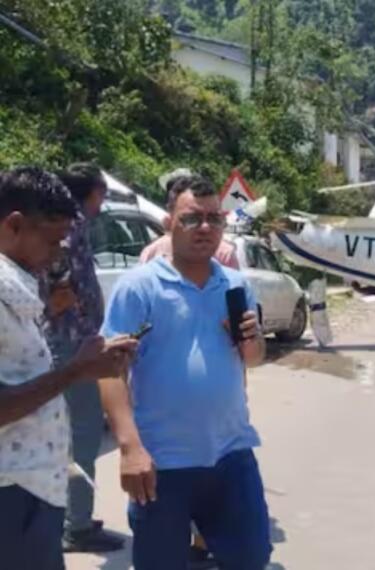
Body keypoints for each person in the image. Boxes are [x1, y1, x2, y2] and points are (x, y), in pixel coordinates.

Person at [99, 174, 272, 569]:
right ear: (168, 223)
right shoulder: (139, 287)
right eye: (193, 218)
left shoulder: (236, 284)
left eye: (215, 218)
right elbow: (110, 371)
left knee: (251, 557)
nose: (206, 228)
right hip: (163, 461)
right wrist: (129, 447)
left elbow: (253, 357)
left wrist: (251, 342)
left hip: (231, 453)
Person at [0, 167, 136, 569]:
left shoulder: (17, 289)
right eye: (53, 241)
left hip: (33, 490)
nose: (60, 255)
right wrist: (75, 371)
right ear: (15, 225)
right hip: (12, 495)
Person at [32, 164, 127, 553]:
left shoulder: (67, 224)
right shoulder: (68, 230)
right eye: (101, 196)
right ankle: (77, 526)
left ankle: (73, 515)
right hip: (71, 344)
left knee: (72, 434)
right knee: (83, 434)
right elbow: (57, 276)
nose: (102, 204)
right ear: (87, 194)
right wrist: (59, 296)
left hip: (72, 342)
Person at [139, 172, 239, 270]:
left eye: (214, 219)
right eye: (192, 219)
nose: (204, 227)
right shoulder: (152, 253)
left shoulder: (224, 253)